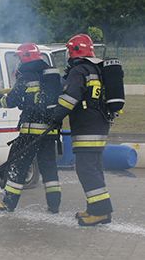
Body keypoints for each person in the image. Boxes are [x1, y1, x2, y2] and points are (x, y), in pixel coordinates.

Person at [50, 34, 113, 226]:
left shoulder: (78, 71)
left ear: (73, 52)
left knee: (86, 169)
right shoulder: (97, 69)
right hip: (100, 125)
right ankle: (98, 210)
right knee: (94, 168)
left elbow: (70, 99)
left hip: (86, 127)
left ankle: (100, 213)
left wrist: (54, 117)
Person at [0, 43, 61, 213]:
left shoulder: (26, 75)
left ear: (24, 57)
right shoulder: (49, 74)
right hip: (49, 131)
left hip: (31, 131)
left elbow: (11, 101)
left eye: (19, 57)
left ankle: (8, 203)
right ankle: (54, 205)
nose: (18, 61)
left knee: (17, 166)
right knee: (49, 168)